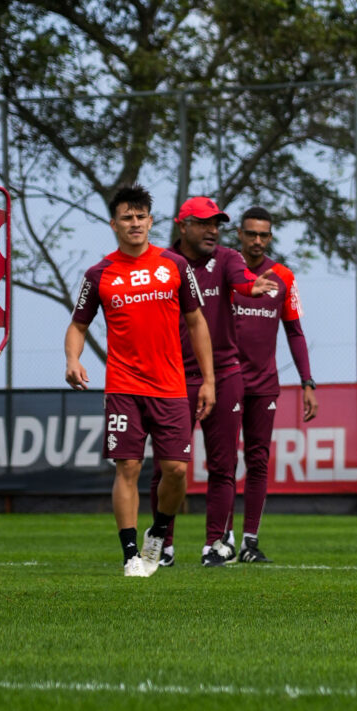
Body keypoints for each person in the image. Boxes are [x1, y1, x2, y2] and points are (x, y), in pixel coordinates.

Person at [64, 184, 216, 578]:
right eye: (127, 217)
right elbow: (78, 325)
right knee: (127, 466)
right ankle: (131, 554)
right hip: (123, 386)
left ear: (151, 221)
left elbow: (197, 323)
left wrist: (209, 381)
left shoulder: (175, 266)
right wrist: (72, 359)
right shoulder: (99, 273)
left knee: (177, 471)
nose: (135, 223)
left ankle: (159, 533)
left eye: (141, 216)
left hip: (170, 386)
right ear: (114, 224)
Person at [170, 196, 277, 566]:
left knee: (223, 465)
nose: (212, 229)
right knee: (170, 466)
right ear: (181, 225)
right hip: (175, 375)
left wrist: (253, 287)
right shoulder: (164, 264)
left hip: (224, 374)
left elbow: (243, 281)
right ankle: (162, 545)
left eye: (216, 222)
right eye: (203, 222)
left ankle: (216, 544)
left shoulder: (229, 258)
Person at [230, 209, 318, 565]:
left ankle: (249, 542)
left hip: (264, 384)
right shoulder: (226, 273)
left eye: (263, 235)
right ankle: (219, 539)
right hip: (226, 381)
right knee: (222, 463)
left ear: (270, 237)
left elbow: (294, 332)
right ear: (239, 234)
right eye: (251, 234)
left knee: (258, 460)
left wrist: (307, 382)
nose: (257, 241)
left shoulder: (283, 276)